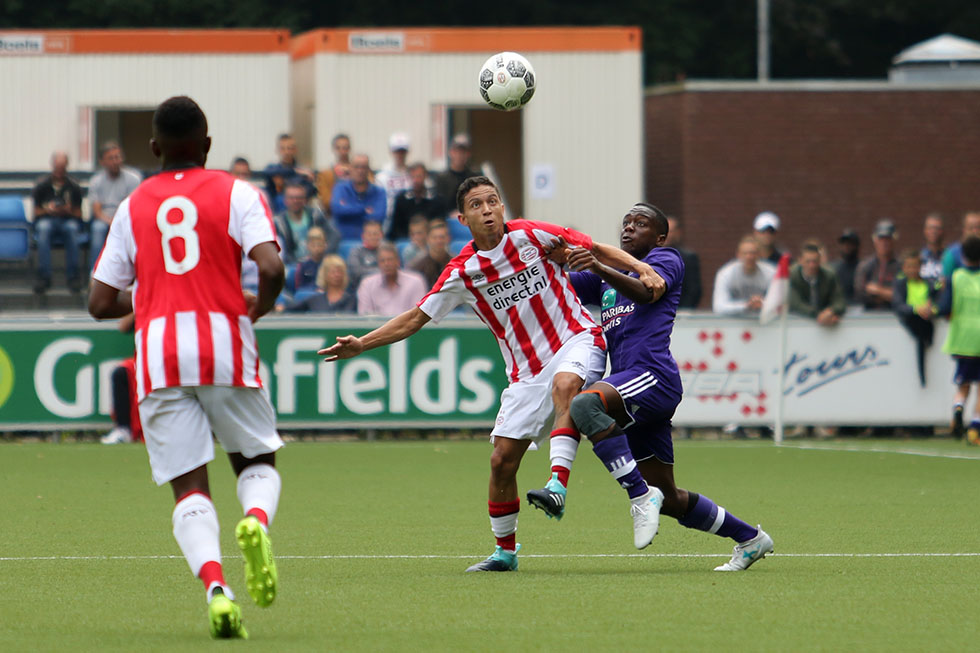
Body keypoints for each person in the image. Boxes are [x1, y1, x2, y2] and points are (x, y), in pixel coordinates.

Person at [319, 176, 662, 572]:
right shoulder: (462, 272)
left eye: (493, 202)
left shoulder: (533, 235)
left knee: (566, 385)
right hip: (525, 371)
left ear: (503, 208)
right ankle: (505, 552)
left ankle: (557, 485)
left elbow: (594, 247)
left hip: (576, 339)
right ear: (462, 218)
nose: (488, 210)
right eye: (478, 205)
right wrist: (362, 344)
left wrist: (642, 269)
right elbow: (415, 318)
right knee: (502, 459)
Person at [88, 96, 286, 639]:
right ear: (207, 144)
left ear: (153, 149)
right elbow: (271, 265)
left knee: (188, 485)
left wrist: (146, 302)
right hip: (224, 342)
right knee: (255, 460)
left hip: (158, 352)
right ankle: (255, 520)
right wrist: (259, 307)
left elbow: (99, 303)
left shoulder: (131, 206)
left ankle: (217, 591)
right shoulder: (237, 192)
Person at [527, 202, 773, 571]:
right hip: (630, 389)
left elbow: (646, 293)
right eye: (626, 223)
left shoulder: (666, 259)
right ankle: (750, 539)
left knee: (583, 406)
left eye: (640, 224)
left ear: (659, 236)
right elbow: (557, 292)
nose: (629, 228)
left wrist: (597, 265)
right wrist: (539, 258)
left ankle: (638, 496)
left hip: (652, 376)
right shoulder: (607, 277)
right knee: (671, 498)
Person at [936, 235, 980, 443]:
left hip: (962, 339)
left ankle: (957, 407)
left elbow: (945, 307)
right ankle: (975, 427)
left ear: (963, 255)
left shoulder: (956, 277)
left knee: (963, 383)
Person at [32, 151, 84, 294]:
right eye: (57, 167)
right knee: (43, 229)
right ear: (52, 166)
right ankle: (44, 276)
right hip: (47, 220)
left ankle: (73, 276)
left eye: (63, 168)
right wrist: (48, 210)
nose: (60, 171)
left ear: (67, 166)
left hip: (68, 221)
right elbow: (36, 213)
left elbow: (79, 214)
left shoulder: (74, 186)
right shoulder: (41, 186)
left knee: (72, 230)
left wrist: (68, 210)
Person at [88, 141, 142, 276]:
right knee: (97, 228)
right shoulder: (96, 181)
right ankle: (95, 273)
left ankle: (134, 273)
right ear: (102, 162)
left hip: (126, 218)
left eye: (118, 157)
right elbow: (97, 211)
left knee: (131, 229)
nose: (116, 161)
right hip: (104, 219)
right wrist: (110, 221)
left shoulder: (134, 178)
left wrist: (118, 221)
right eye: (111, 158)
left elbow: (134, 206)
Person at [892, 248, 938, 388]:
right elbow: (898, 305)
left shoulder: (929, 283)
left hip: (926, 320)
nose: (912, 270)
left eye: (915, 266)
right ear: (904, 268)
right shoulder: (900, 284)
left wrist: (932, 310)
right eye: (909, 266)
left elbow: (937, 299)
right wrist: (916, 309)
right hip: (912, 320)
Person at [273, 182, 339, 264]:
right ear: (285, 200)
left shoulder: (316, 216)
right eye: (291, 198)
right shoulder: (278, 223)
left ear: (305, 199)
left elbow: (334, 236)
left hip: (317, 262)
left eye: (299, 197)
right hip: (291, 265)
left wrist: (324, 255)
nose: (295, 201)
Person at [356, 242, 428, 316]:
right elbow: (364, 316)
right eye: (382, 261)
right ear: (378, 264)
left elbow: (418, 315)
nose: (386, 264)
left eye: (390, 260)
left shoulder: (415, 282)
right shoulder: (367, 284)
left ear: (398, 262)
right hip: (379, 327)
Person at [712, 235, 775, 315]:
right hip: (733, 323)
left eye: (753, 253)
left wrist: (762, 304)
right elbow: (718, 307)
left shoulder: (771, 273)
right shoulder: (725, 274)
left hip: (764, 322)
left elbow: (779, 305)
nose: (749, 257)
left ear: (759, 255)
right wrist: (746, 306)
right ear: (738, 255)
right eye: (745, 253)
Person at [788, 240, 846, 326]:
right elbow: (796, 304)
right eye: (808, 261)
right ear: (800, 261)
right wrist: (818, 315)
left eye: (815, 261)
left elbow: (840, 301)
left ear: (820, 261)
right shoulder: (792, 276)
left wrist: (831, 311)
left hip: (825, 322)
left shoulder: (829, 276)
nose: (811, 266)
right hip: (797, 322)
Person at [330, 153, 386, 241]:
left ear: (368, 170)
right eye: (356, 167)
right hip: (343, 241)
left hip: (370, 243)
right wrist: (363, 210)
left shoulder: (379, 192)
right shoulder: (340, 188)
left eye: (364, 167)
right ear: (350, 168)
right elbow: (338, 210)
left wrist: (348, 213)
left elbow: (378, 217)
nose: (360, 171)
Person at [283, 254, 356, 313]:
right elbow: (293, 309)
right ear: (325, 275)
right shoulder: (315, 300)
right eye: (333, 272)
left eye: (339, 271)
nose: (336, 275)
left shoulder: (351, 300)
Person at [388, 162, 442, 240]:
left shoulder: (436, 200)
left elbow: (439, 224)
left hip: (430, 240)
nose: (416, 180)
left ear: (425, 176)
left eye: (419, 176)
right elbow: (396, 228)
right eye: (413, 177)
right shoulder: (401, 199)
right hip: (407, 240)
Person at [855, 219, 899, 311]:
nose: (884, 243)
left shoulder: (901, 266)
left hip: (894, 317)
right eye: (881, 239)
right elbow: (859, 294)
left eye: (888, 239)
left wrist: (878, 291)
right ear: (875, 240)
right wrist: (888, 294)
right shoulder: (865, 266)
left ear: (894, 240)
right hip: (869, 317)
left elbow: (901, 296)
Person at [433, 134, 479, 214]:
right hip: (447, 220)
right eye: (456, 152)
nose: (459, 156)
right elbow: (438, 204)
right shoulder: (441, 178)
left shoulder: (475, 177)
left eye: (463, 152)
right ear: (450, 153)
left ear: (468, 154)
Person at [263, 133, 315, 201]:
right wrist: (295, 171)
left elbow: (309, 192)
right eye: (282, 148)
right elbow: (266, 173)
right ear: (277, 150)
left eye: (290, 148)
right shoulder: (272, 168)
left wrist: (285, 186)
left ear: (295, 150)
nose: (286, 152)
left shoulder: (304, 171)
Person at [375, 132, 413, 224]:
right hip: (387, 220)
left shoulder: (413, 175)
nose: (400, 154)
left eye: (402, 151)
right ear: (391, 151)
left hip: (408, 219)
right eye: (397, 151)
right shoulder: (382, 177)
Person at [664, 215, 701, 308]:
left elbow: (694, 289)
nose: (667, 235)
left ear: (678, 233)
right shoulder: (649, 257)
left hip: (682, 311)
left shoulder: (688, 258)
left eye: (671, 231)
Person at [409, 219, 452, 288]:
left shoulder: (455, 263)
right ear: (428, 239)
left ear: (448, 239)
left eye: (442, 237)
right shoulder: (417, 265)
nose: (438, 241)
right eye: (435, 238)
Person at [315, 133, 353, 209]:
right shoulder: (325, 174)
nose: (342, 151)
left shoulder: (360, 171)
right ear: (333, 149)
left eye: (345, 148)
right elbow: (324, 200)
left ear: (349, 148)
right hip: (334, 212)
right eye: (338, 148)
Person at [346, 219, 384, 290]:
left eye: (375, 234)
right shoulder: (355, 251)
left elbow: (394, 270)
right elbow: (357, 272)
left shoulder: (387, 251)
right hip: (360, 289)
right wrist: (382, 271)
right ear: (363, 236)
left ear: (381, 235)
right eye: (369, 234)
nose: (373, 237)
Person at [941, 211, 980, 279]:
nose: (975, 231)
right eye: (971, 228)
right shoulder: (952, 253)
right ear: (964, 229)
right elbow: (946, 282)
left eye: (978, 227)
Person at [831, 228, 862, 306]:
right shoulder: (835, 268)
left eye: (850, 243)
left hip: (859, 310)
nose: (846, 247)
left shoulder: (862, 267)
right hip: (839, 308)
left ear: (856, 245)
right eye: (844, 244)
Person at [294, 226, 329, 291]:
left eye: (319, 245)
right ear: (307, 246)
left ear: (325, 245)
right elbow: (299, 287)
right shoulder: (303, 264)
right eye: (313, 245)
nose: (316, 249)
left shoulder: (329, 263)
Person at [920, 212, 946, 285]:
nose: (933, 231)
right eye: (930, 228)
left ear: (943, 231)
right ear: (925, 231)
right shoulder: (919, 257)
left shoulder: (948, 257)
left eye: (937, 228)